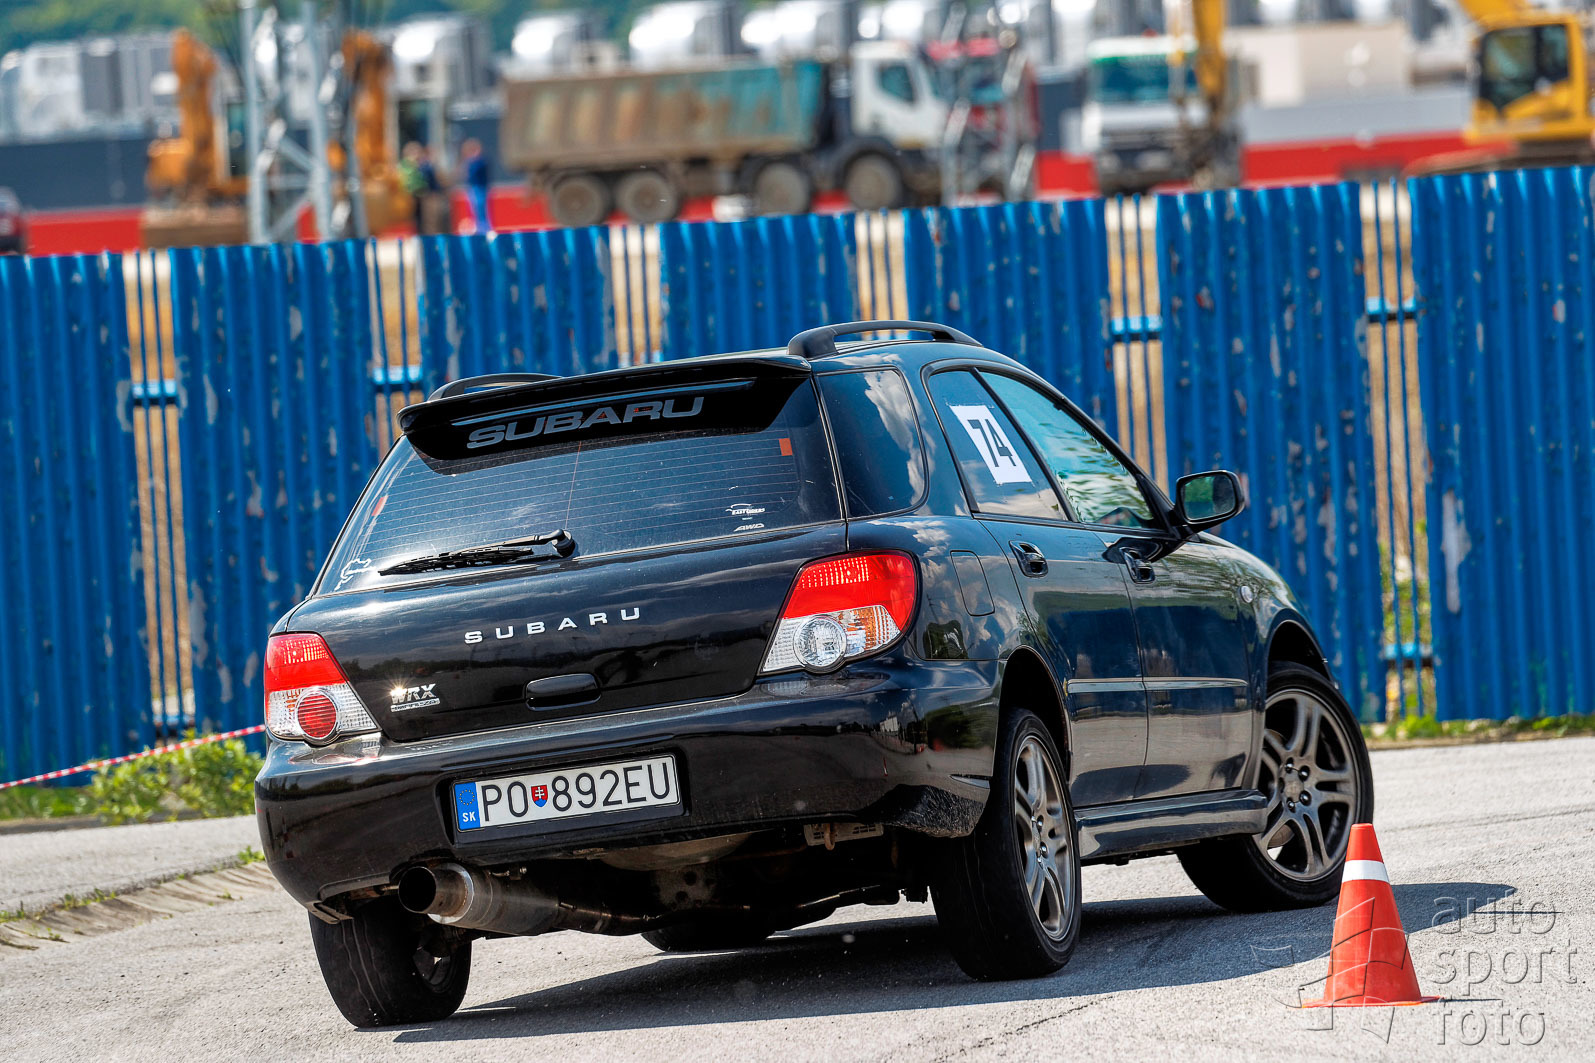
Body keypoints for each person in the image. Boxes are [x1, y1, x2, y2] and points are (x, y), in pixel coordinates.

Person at [461, 138, 492, 234]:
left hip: (480, 188)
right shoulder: (472, 162)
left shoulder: (480, 162)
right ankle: (479, 228)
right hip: (474, 188)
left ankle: (484, 229)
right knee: (475, 211)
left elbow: (473, 173)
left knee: (481, 210)